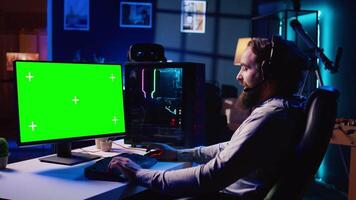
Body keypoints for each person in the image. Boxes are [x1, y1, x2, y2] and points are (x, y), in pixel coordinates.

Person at [109, 36, 307, 199]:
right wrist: (180, 154)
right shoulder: (283, 109)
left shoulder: (270, 117)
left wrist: (140, 173)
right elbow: (231, 149)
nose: (238, 76)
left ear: (268, 73)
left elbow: (211, 177)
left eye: (246, 68)